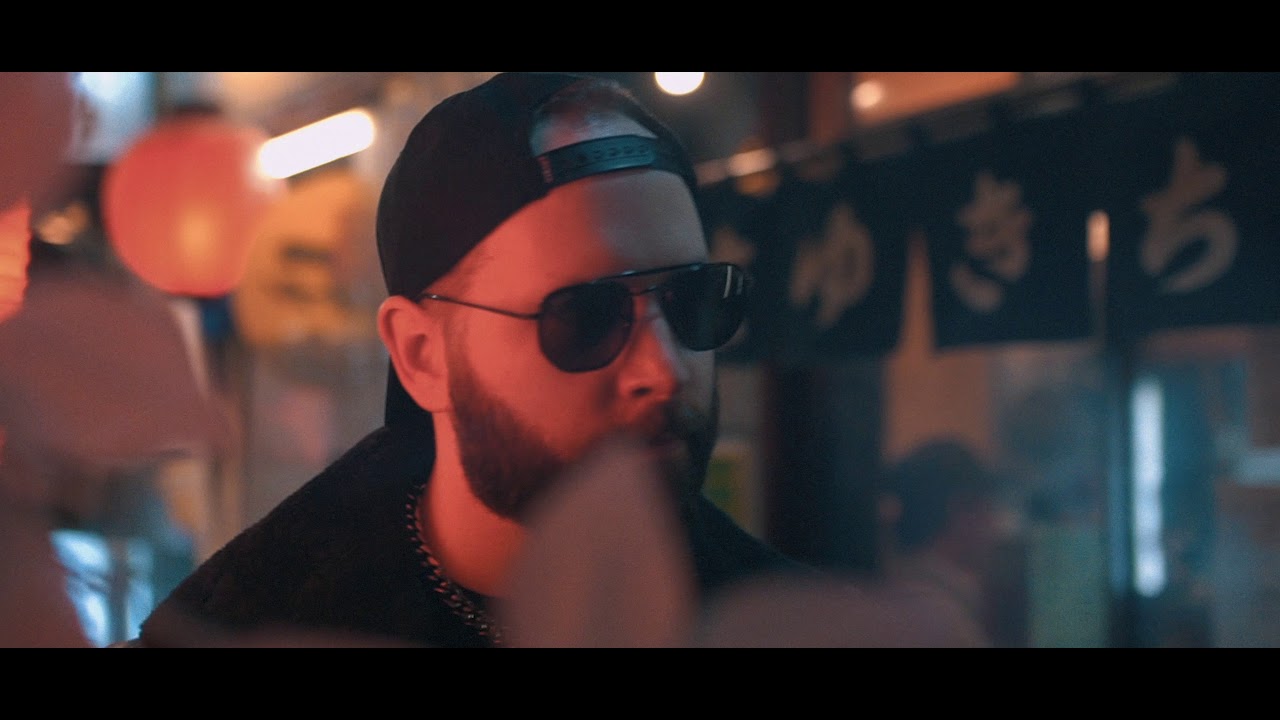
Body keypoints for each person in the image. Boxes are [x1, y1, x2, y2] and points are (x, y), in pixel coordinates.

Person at [133, 71, 807, 648]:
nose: (664, 370)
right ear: (421, 354)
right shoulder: (255, 626)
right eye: (585, 317)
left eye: (693, 300)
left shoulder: (786, 624)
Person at [873, 437, 1024, 647]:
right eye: (988, 508)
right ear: (962, 511)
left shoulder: (891, 590)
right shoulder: (943, 620)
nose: (994, 524)